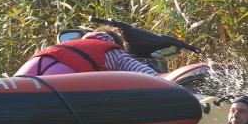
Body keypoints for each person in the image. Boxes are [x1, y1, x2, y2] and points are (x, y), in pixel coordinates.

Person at [14, 25, 157, 77]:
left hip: (36, 63)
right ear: (114, 42)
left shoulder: (72, 43)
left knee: (10, 93)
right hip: (60, 73)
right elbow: (149, 76)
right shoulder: (113, 51)